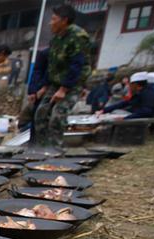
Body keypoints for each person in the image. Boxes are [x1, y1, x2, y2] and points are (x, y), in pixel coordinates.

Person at [32, 4, 92, 148]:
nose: (50, 22)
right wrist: (44, 86)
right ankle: (42, 150)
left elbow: (76, 65)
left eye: (53, 19)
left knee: (57, 116)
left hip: (72, 83)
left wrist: (64, 89)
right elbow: (52, 65)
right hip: (55, 83)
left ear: (64, 20)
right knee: (40, 114)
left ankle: (54, 152)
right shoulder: (56, 39)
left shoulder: (78, 36)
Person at [20, 48, 49, 144]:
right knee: (37, 122)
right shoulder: (44, 54)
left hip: (48, 90)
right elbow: (36, 72)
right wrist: (32, 91)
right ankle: (34, 148)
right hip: (39, 93)